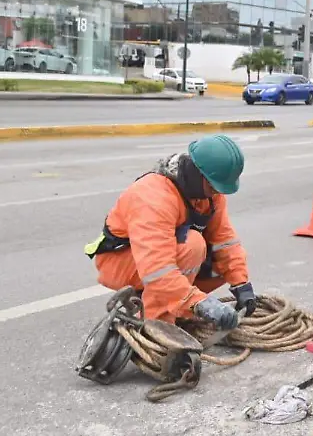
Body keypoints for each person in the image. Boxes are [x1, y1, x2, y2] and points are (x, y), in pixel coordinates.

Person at [84, 134, 256, 331]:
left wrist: (241, 284)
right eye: (213, 187)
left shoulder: (209, 194)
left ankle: (177, 307)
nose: (217, 193)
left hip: (163, 258)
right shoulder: (153, 196)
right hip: (123, 261)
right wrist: (198, 302)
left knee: (221, 263)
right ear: (196, 173)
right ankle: (157, 326)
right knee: (193, 245)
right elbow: (157, 268)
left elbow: (225, 242)